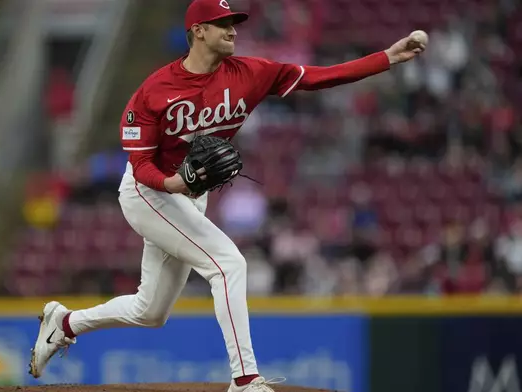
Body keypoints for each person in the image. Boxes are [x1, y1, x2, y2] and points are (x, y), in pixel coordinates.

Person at [29, 0, 426, 390]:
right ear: (198, 32)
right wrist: (173, 185)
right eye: (223, 23)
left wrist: (386, 58)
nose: (233, 29)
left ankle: (64, 323)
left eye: (233, 22)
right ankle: (245, 379)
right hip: (148, 193)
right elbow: (140, 163)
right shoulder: (153, 91)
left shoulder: (252, 73)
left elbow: (319, 76)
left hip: (187, 196)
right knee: (228, 264)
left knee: (150, 311)